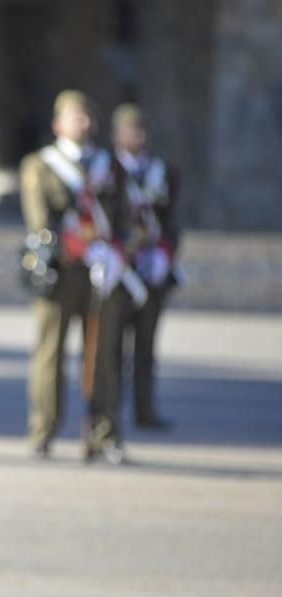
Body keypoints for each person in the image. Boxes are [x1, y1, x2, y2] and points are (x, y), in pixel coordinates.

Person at [19, 90, 135, 463]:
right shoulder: (40, 165)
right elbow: (39, 221)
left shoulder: (110, 166)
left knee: (103, 354)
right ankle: (43, 430)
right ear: (58, 124)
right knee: (49, 353)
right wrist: (73, 245)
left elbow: (125, 217)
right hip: (61, 270)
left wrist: (117, 251)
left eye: (86, 116)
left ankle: (104, 433)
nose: (81, 122)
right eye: (73, 116)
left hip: (102, 269)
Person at [111, 103, 180, 430]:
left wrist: (166, 253)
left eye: (140, 130)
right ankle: (110, 415)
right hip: (119, 266)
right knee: (111, 348)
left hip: (151, 266)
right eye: (128, 130)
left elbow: (172, 220)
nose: (135, 136)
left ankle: (145, 410)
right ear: (116, 135)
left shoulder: (163, 171)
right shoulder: (106, 170)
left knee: (146, 344)